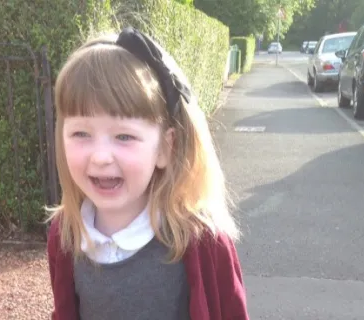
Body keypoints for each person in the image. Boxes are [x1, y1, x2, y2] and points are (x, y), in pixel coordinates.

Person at [46, 26, 249, 320]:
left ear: (165, 148)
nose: (101, 157)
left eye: (124, 136)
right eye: (80, 133)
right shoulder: (66, 234)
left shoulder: (202, 242)